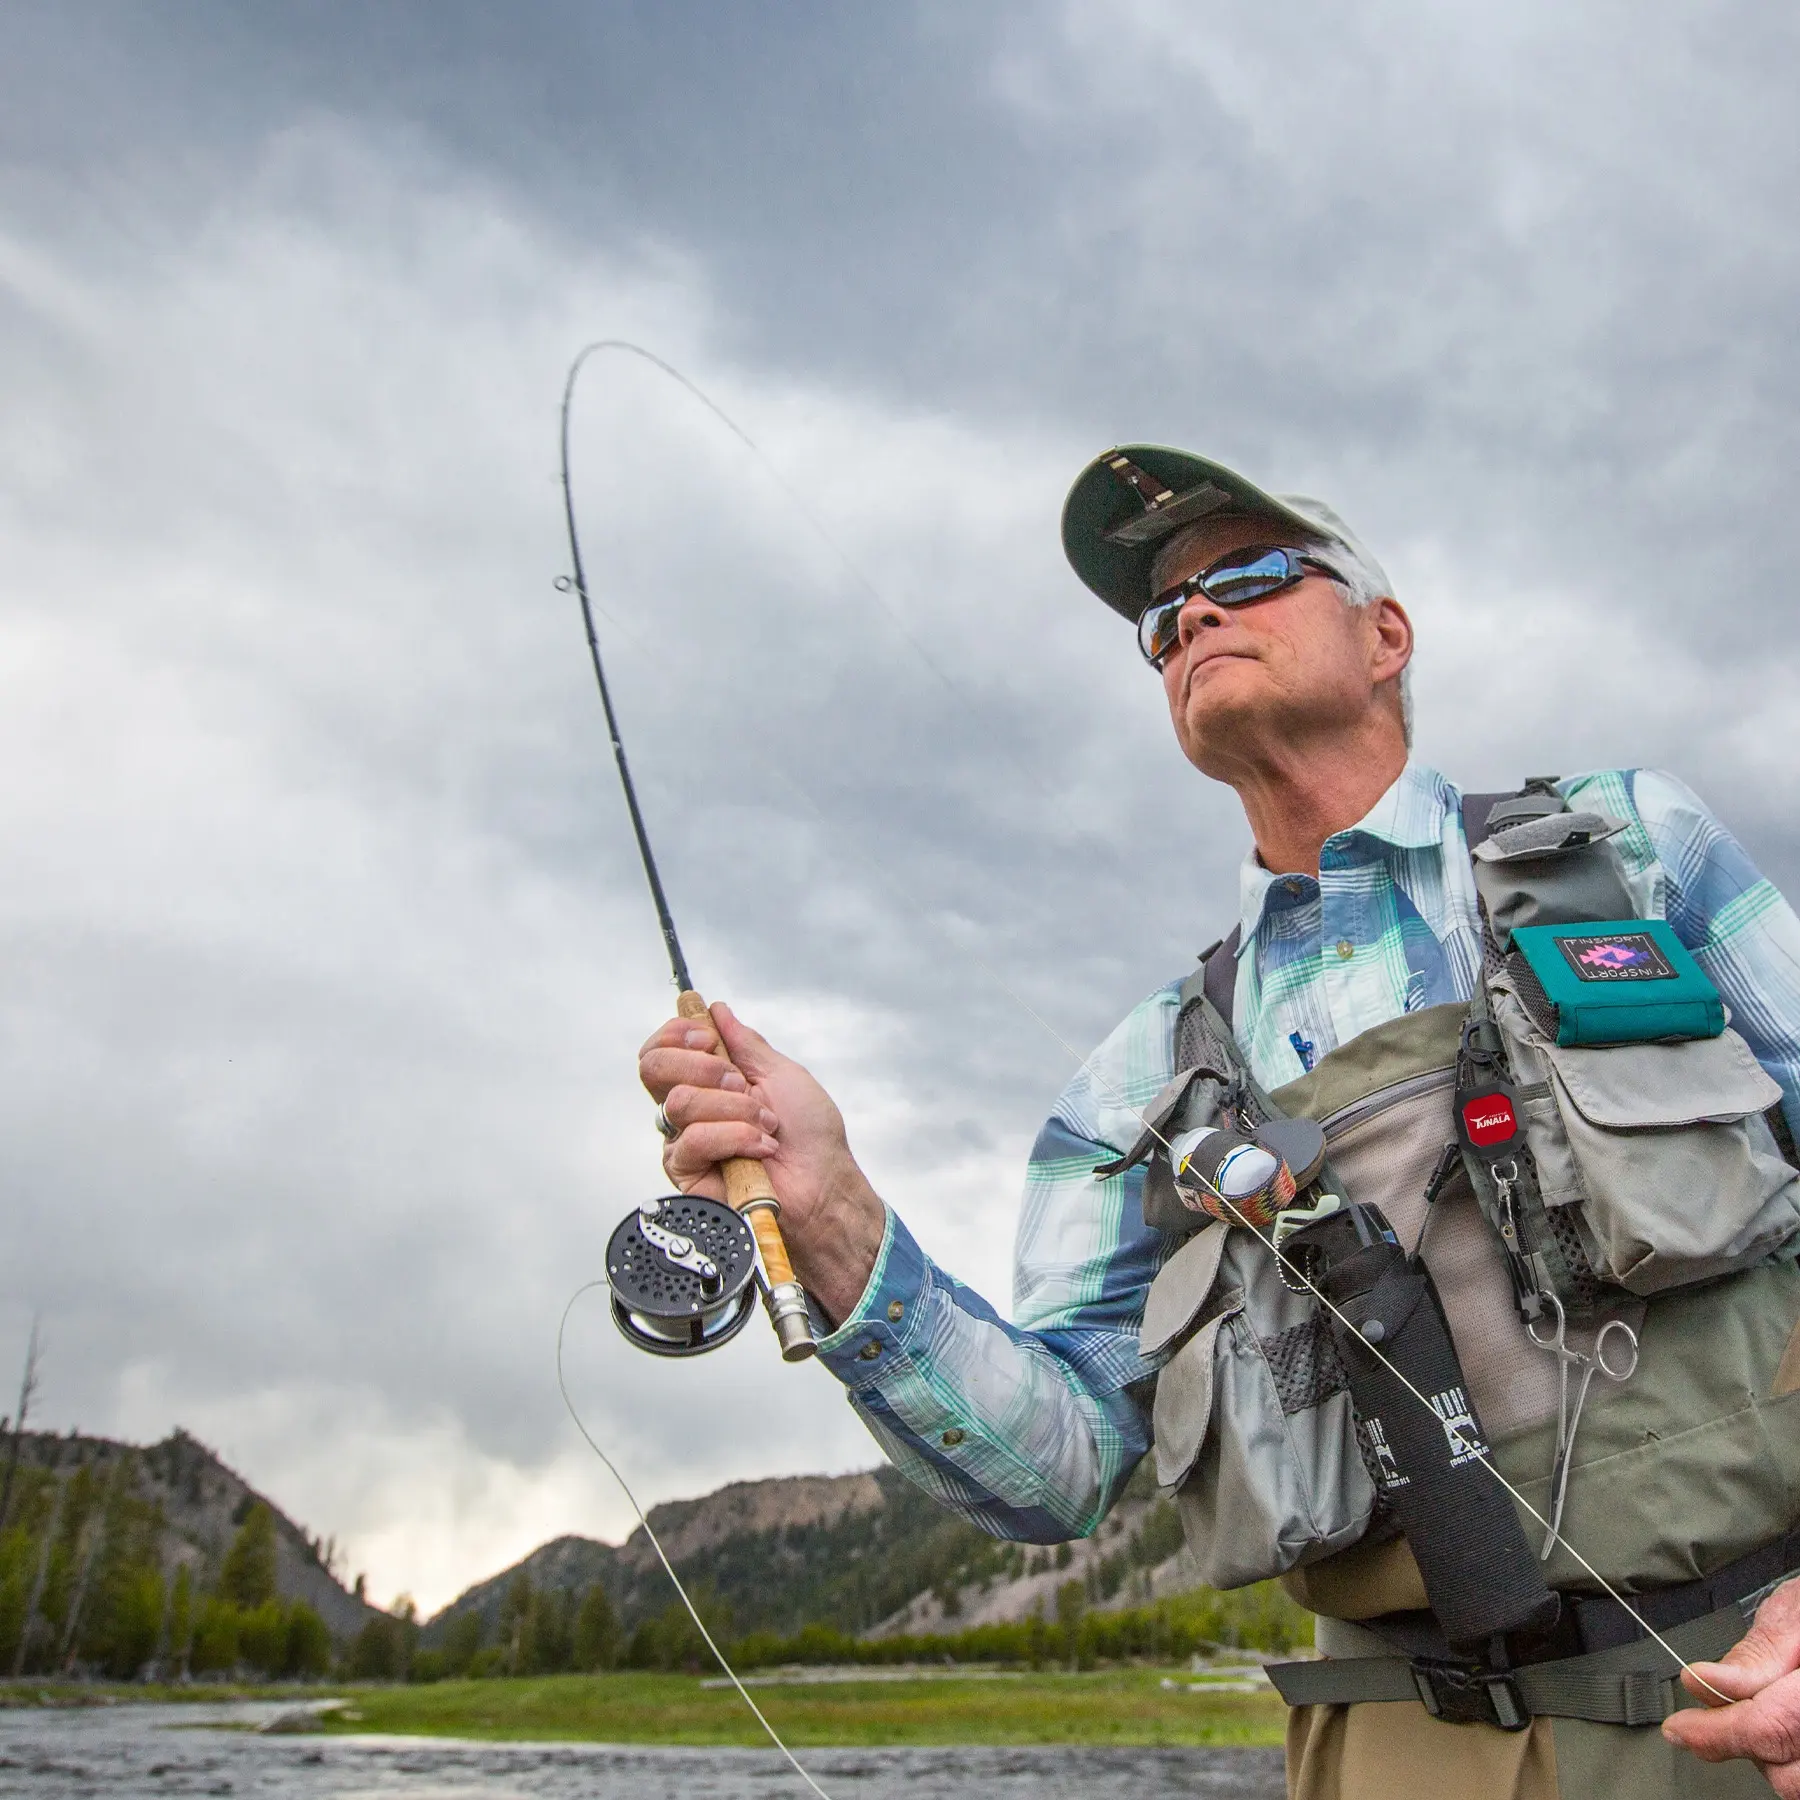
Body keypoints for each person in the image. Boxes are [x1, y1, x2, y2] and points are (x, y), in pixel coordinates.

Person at [638, 442, 1800, 1798]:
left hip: (1751, 1694)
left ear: (1386, 636)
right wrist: (833, 1216)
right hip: (1378, 1745)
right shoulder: (1138, 1082)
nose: (1192, 616)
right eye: (1162, 617)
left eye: (1248, 575)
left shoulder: (1626, 845)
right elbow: (1056, 1465)